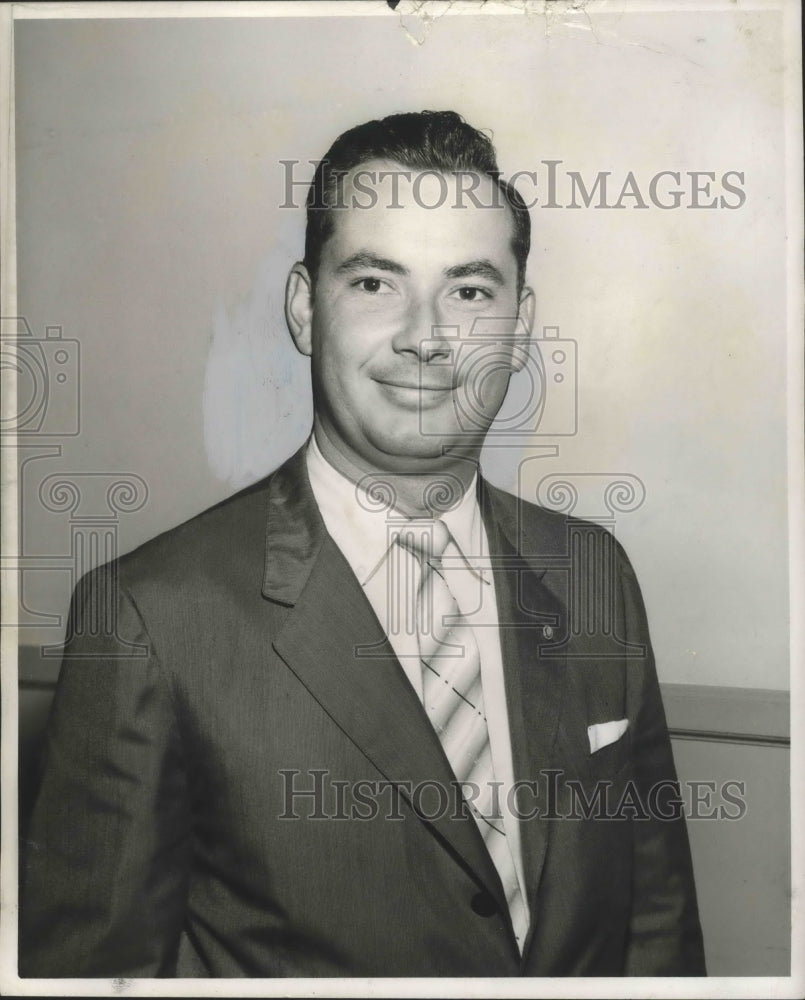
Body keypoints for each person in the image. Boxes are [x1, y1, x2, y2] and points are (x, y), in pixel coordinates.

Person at [19, 111, 706, 978]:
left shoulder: (592, 572)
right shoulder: (150, 616)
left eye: (468, 289)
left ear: (519, 321)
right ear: (305, 308)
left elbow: (658, 934)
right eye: (376, 282)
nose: (426, 337)